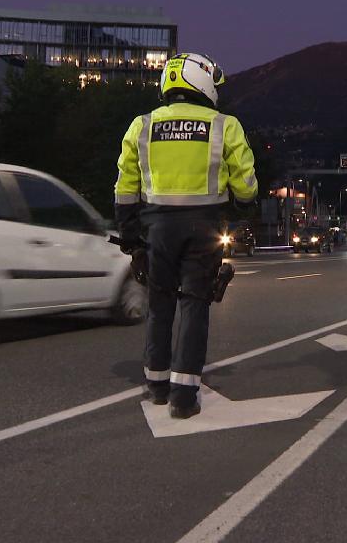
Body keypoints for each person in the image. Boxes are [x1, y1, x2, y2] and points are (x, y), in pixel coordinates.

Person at [115, 53, 258, 419]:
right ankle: (183, 395)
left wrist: (130, 235)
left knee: (159, 304)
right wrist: (244, 205)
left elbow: (125, 186)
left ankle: (157, 384)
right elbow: (245, 184)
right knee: (195, 303)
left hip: (156, 226)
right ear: (204, 81)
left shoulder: (141, 125)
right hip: (203, 226)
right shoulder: (225, 125)